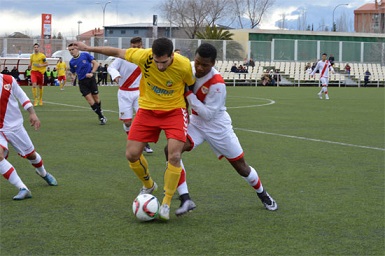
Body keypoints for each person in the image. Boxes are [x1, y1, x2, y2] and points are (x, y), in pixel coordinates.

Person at [73, 37, 196, 221]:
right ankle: (148, 184)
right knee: (131, 154)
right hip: (147, 109)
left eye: (164, 62)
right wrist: (88, 47)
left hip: (174, 111)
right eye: (157, 61)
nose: (160, 66)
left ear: (172, 55)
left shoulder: (184, 65)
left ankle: (166, 202)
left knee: (174, 155)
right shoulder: (144, 56)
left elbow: (191, 85)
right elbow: (115, 52)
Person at [166, 43, 277, 216]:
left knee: (241, 167)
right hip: (196, 123)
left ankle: (263, 194)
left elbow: (208, 114)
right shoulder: (189, 69)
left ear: (213, 63)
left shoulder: (217, 84)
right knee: (171, 151)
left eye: (205, 65)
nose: (200, 67)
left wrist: (188, 94)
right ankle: (185, 197)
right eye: (197, 62)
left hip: (218, 127)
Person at [0, 74, 57, 200]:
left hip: (15, 127)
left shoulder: (8, 80)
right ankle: (23, 188)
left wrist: (32, 113)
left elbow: (21, 96)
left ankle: (43, 173)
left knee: (31, 155)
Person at [107, 36, 154, 153]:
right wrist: (115, 75)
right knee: (127, 122)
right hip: (124, 93)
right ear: (130, 46)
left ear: (142, 45)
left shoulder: (146, 56)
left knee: (142, 119)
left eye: (139, 46)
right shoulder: (124, 56)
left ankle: (144, 143)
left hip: (140, 92)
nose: (137, 49)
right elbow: (111, 67)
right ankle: (133, 139)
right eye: (134, 47)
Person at [68, 43, 107, 125]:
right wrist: (72, 77)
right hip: (82, 83)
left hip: (91, 80)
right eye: (70, 50)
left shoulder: (85, 55)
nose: (71, 51)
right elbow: (73, 72)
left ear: (77, 49)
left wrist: (92, 73)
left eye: (73, 49)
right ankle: (101, 117)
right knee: (90, 101)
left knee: (96, 99)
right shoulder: (71, 62)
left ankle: (100, 111)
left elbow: (95, 64)